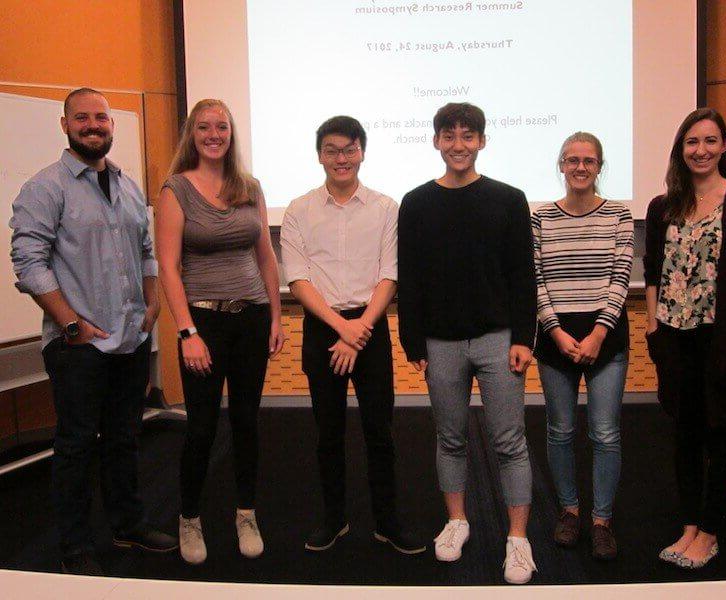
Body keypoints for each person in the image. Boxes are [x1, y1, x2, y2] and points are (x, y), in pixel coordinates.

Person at [9, 87, 177, 576]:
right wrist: (70, 322)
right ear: (65, 125)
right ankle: (75, 543)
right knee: (77, 445)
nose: (93, 125)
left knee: (125, 438)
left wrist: (151, 304)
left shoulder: (127, 186)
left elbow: (147, 249)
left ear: (111, 124)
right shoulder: (45, 188)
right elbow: (28, 261)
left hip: (128, 337)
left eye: (101, 118)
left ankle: (127, 524)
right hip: (76, 345)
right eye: (81, 118)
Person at [398, 102, 537, 584]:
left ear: (482, 141)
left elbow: (524, 275)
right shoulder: (415, 202)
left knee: (509, 440)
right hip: (440, 342)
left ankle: (518, 539)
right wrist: (411, 339)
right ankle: (456, 521)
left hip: (499, 339)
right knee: (450, 437)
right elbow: (409, 277)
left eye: (468, 135)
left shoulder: (508, 198)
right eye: (449, 135)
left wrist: (524, 337)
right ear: (436, 141)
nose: (458, 144)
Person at [280, 115, 424, 555]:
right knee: (328, 433)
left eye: (349, 149)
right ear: (319, 155)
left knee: (380, 432)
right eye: (331, 150)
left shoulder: (385, 207)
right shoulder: (298, 209)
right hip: (324, 327)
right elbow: (298, 279)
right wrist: (342, 328)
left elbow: (390, 274)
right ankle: (334, 519)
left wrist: (359, 330)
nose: (341, 158)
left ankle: (387, 522)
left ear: (362, 151)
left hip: (371, 326)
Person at [155, 99, 285, 564]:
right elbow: (169, 269)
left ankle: (245, 513)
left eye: (222, 127)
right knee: (203, 428)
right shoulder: (175, 190)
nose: (214, 134)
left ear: (231, 133)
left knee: (247, 421)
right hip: (203, 322)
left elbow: (266, 255)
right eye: (205, 127)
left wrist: (274, 315)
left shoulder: (249, 186)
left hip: (250, 317)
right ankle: (189, 518)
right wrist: (188, 331)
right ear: (192, 132)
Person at [644, 108, 726, 569]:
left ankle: (711, 531)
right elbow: (654, 268)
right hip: (674, 341)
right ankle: (689, 527)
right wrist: (654, 325)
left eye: (709, 141)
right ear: (681, 149)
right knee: (684, 436)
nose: (700, 150)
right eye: (692, 142)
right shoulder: (663, 206)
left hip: (720, 341)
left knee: (719, 436)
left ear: (724, 147)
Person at [531, 132, 633, 560]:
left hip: (605, 339)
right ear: (560, 165)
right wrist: (555, 332)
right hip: (556, 339)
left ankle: (601, 520)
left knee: (605, 432)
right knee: (560, 430)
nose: (579, 167)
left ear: (599, 167)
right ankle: (571, 511)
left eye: (588, 161)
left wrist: (597, 334)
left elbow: (621, 277)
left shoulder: (619, 215)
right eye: (571, 160)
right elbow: (534, 281)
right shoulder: (539, 218)